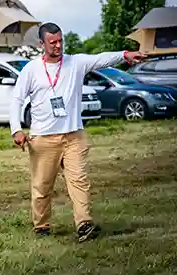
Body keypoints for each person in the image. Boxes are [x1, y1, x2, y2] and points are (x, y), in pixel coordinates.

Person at [9, 22, 147, 243]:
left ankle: (84, 223)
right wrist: (16, 129)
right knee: (42, 186)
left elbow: (102, 58)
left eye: (60, 40)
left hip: (74, 135)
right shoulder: (31, 69)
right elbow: (17, 100)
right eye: (52, 42)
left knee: (79, 180)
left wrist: (125, 54)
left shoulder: (75, 63)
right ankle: (41, 226)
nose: (57, 45)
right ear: (41, 44)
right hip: (43, 139)